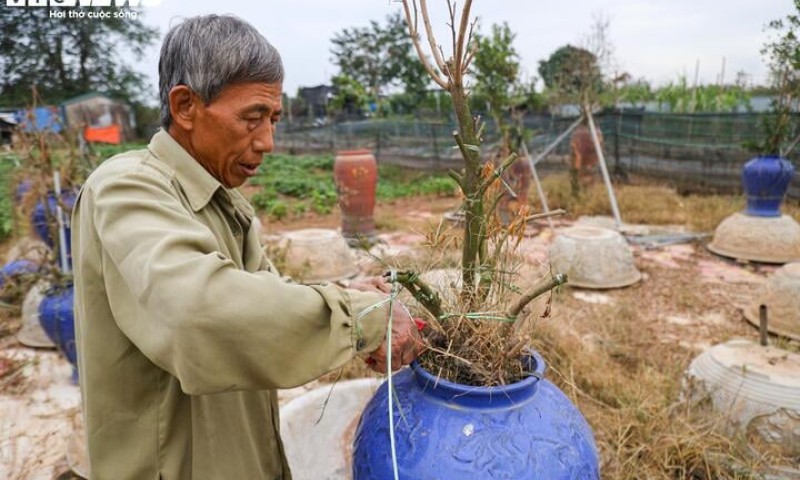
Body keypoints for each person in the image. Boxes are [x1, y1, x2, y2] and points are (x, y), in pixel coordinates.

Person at [71, 14, 421, 480]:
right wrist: (362, 316)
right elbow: (199, 311)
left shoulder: (224, 203)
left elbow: (258, 302)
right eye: (252, 118)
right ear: (185, 106)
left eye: (273, 119)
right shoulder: (126, 188)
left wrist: (346, 292)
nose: (268, 141)